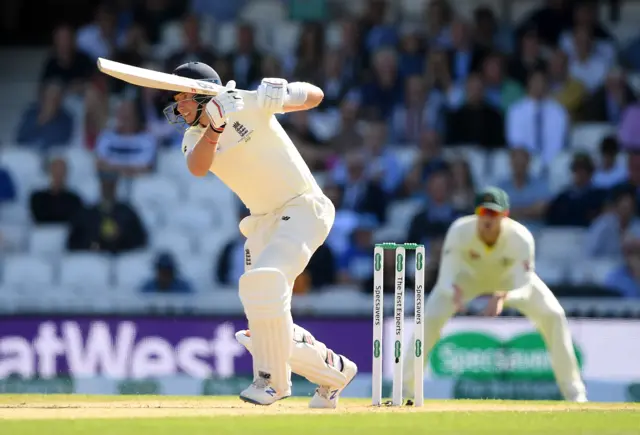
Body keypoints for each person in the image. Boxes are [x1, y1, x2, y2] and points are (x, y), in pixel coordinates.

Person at [163, 62, 357, 408]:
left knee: (263, 285)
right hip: (262, 222)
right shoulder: (194, 136)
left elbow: (316, 96)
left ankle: (273, 382)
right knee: (263, 325)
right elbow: (197, 167)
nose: (179, 108)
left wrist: (280, 90)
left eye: (183, 99)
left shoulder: (247, 103)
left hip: (302, 207)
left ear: (202, 94)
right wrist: (216, 127)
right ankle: (334, 373)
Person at [402, 187, 587, 403]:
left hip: (509, 283)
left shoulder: (521, 237)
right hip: (466, 281)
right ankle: (406, 390)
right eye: (483, 213)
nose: (487, 220)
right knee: (429, 318)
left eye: (494, 214)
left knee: (554, 315)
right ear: (475, 214)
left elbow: (525, 286)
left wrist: (504, 297)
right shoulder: (460, 230)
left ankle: (575, 394)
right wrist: (453, 291)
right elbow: (446, 278)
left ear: (505, 215)